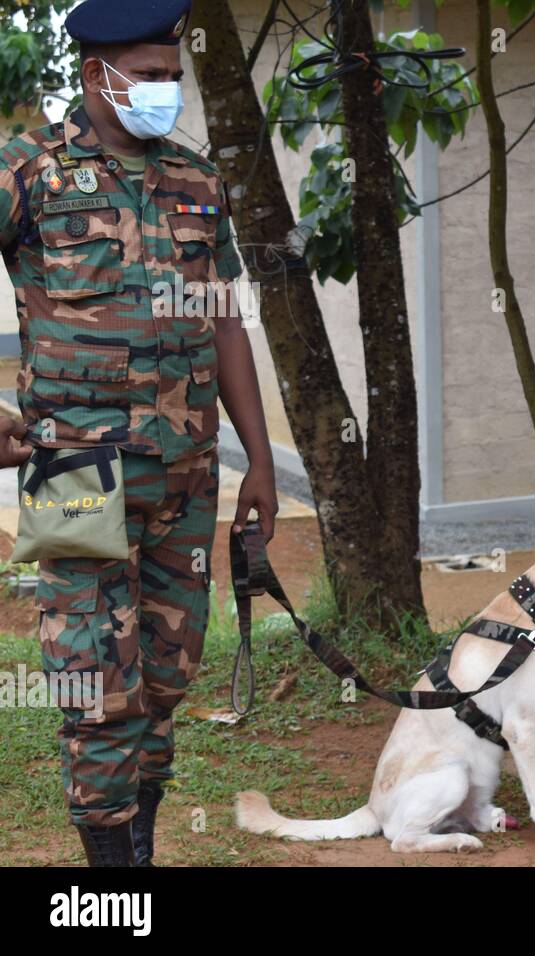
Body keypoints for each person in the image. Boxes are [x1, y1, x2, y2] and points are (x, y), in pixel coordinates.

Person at [0, 0, 278, 866]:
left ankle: (139, 858)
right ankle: (113, 889)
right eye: (150, 78)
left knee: (164, 678)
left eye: (173, 78)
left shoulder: (197, 181)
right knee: (96, 686)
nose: (165, 93)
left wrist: (259, 464)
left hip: (189, 478)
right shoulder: (30, 172)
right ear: (96, 76)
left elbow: (227, 322)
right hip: (78, 473)